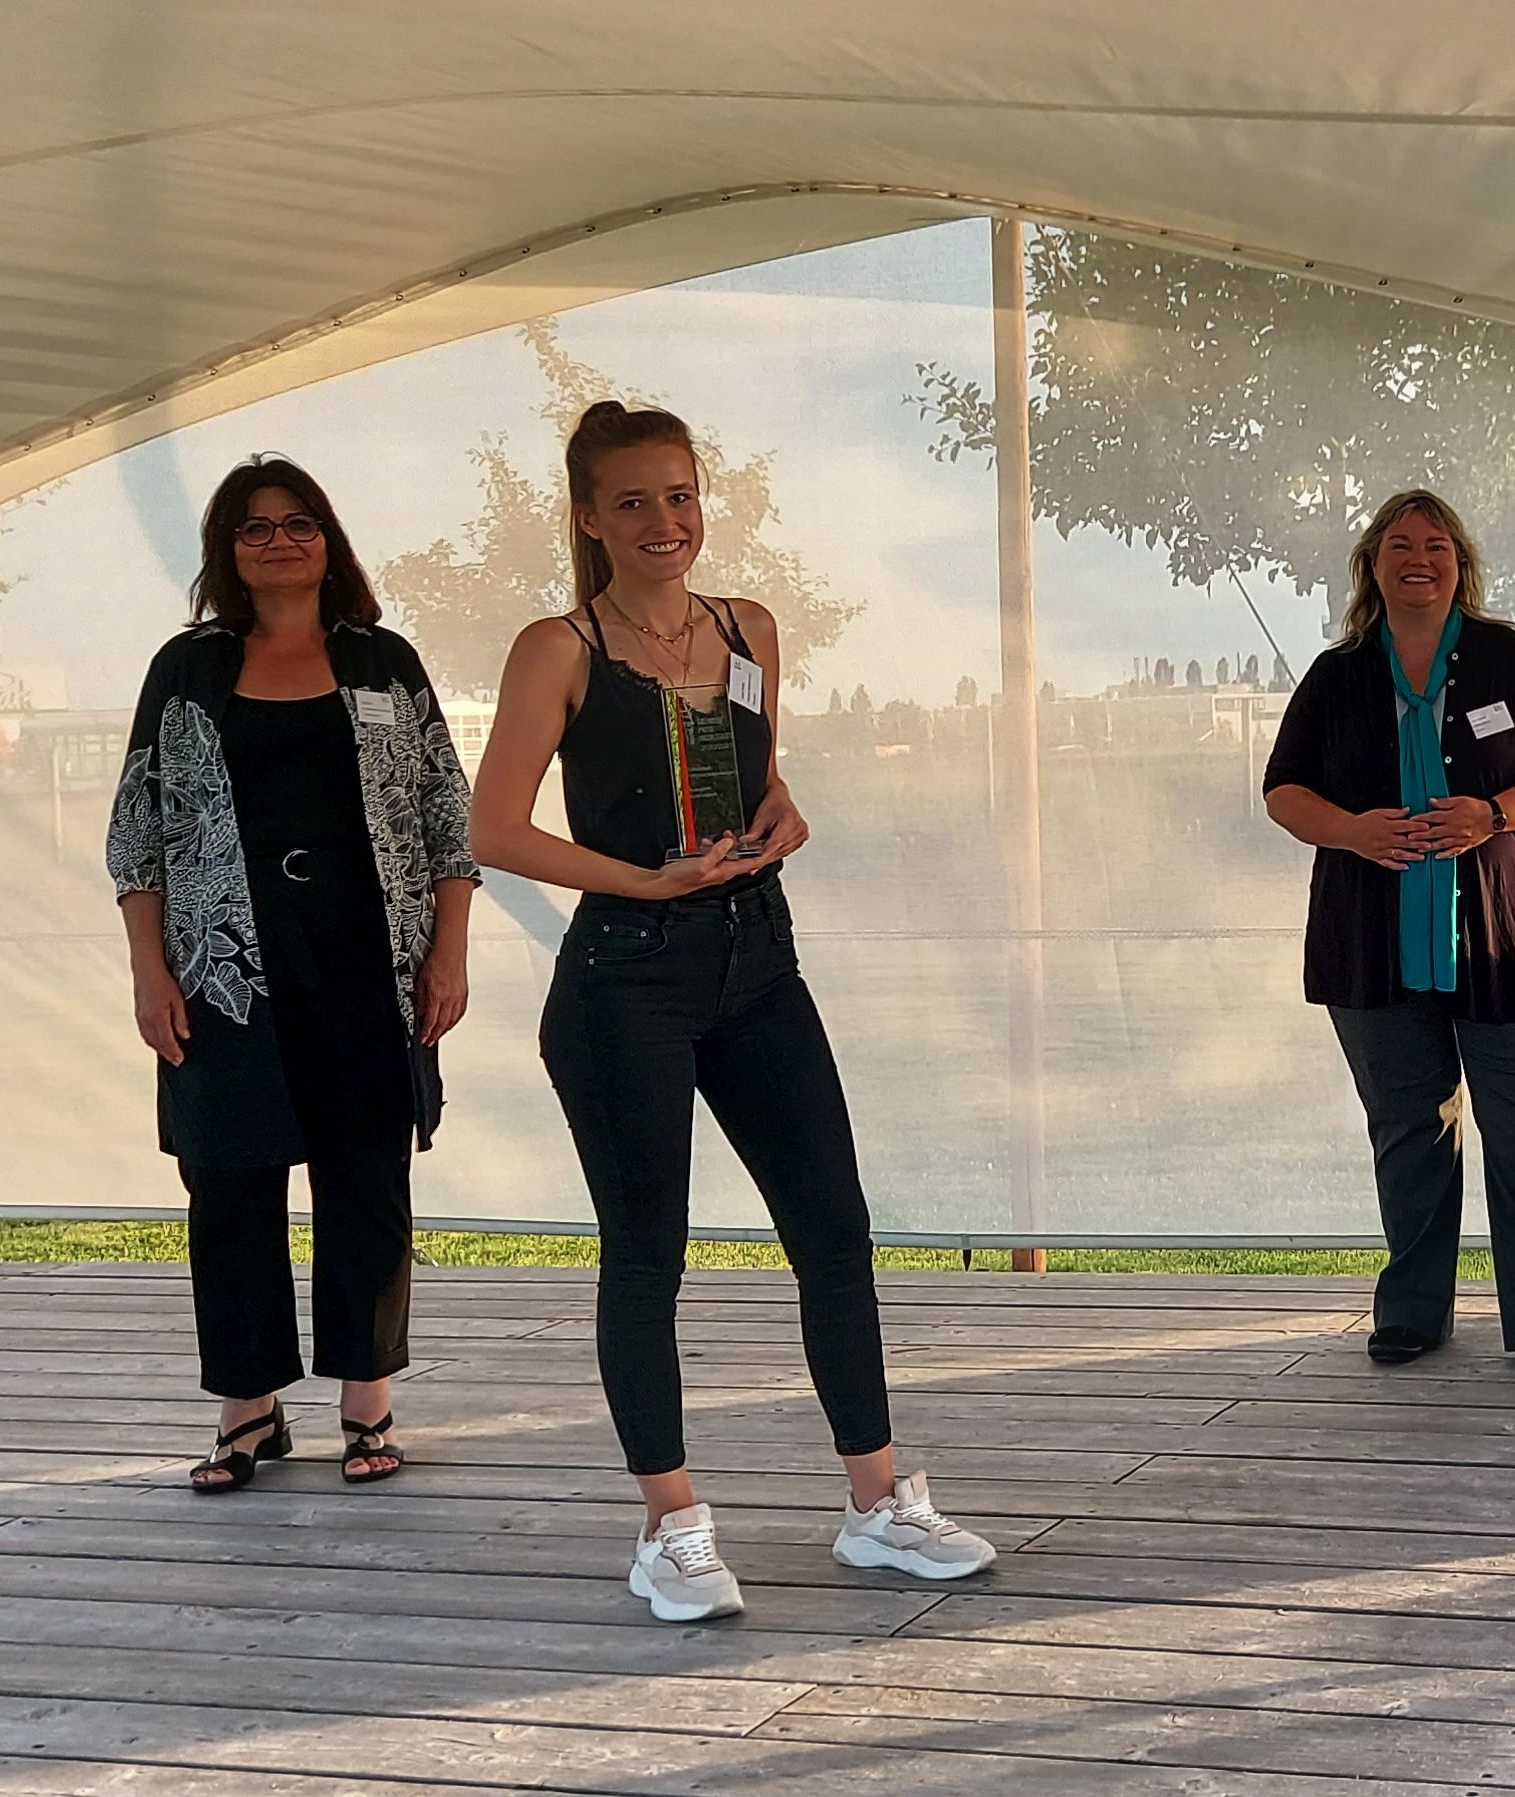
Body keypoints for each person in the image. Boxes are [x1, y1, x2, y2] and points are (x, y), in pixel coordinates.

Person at [470, 400, 994, 1623]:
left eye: (682, 494)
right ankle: (672, 1527)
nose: (667, 521)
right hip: (624, 981)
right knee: (648, 1255)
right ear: (592, 519)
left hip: (759, 962)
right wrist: (643, 878)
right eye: (636, 501)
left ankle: (875, 1507)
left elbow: (756, 772)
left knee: (833, 1228)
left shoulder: (749, 626)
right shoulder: (558, 647)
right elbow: (491, 828)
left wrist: (786, 812)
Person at [106, 456, 477, 1494]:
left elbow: (449, 820)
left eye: (298, 522)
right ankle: (249, 1410)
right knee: (228, 1182)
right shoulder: (185, 671)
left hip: (367, 965)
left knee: (366, 1178)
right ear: (226, 550)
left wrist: (447, 953)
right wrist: (149, 974)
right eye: (254, 526)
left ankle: (367, 1404)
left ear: (329, 540)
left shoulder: (383, 664)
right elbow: (138, 837)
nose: (278, 540)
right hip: (222, 973)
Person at [1261, 488, 1515, 1375]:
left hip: (1509, 943)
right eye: (1398, 543)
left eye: (1435, 543)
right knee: (1407, 1127)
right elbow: (1283, 792)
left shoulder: (1512, 660)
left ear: (1460, 563)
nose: (1417, 557)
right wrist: (1355, 830)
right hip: (1371, 941)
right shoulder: (1336, 673)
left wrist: (1494, 813)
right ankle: (1412, 1312)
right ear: (1372, 566)